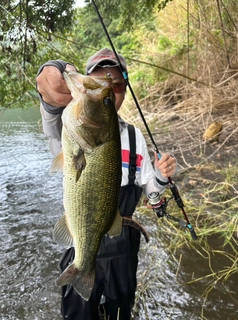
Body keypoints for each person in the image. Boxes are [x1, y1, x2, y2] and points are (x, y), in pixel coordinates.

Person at [36, 48, 178, 320]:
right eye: (98, 80)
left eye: (115, 87)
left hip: (123, 249)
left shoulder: (135, 136)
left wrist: (160, 176)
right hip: (81, 239)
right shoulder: (71, 127)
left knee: (120, 311)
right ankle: (81, 269)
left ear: (124, 91)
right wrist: (51, 82)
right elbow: (51, 115)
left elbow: (150, 191)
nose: (108, 90)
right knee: (78, 313)